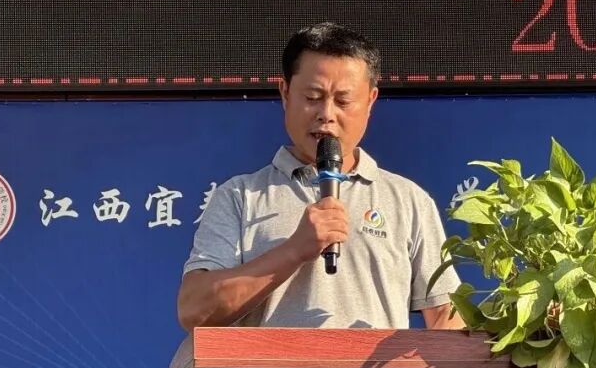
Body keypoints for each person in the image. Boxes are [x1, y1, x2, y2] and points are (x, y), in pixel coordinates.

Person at [176, 22, 463, 332]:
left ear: (370, 101)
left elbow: (445, 318)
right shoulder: (240, 196)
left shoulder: (408, 200)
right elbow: (194, 310)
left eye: (343, 101)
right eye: (313, 97)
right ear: (285, 93)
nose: (326, 114)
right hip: (269, 367)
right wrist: (295, 249)